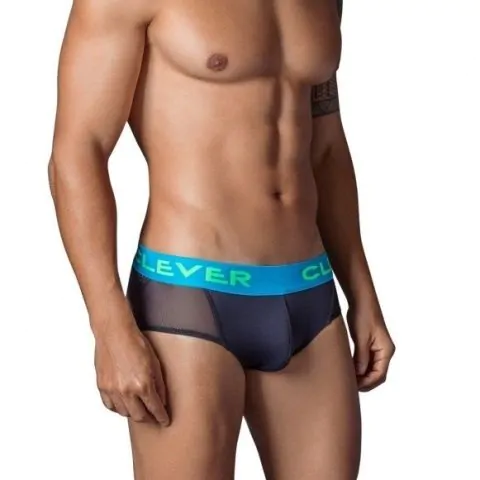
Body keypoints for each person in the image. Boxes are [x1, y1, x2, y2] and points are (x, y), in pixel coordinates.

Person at [48, 0, 395, 478]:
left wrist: (363, 293)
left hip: (310, 295)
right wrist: (109, 326)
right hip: (188, 298)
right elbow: (77, 152)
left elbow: (326, 149)